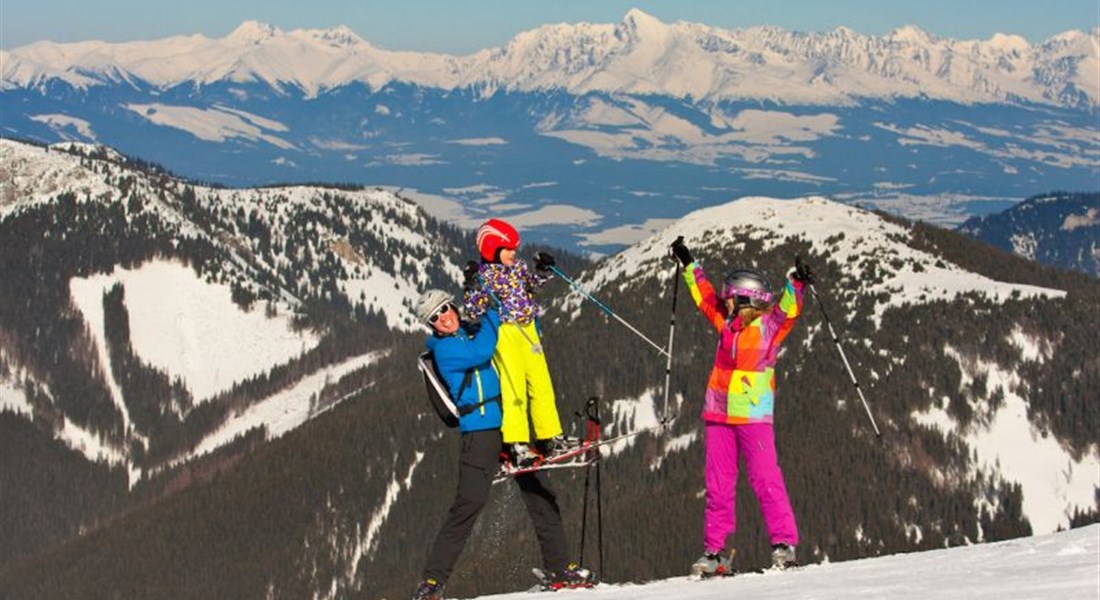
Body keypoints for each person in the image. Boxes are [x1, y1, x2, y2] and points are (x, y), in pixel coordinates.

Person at [411, 289, 594, 600]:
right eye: (436, 317)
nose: (445, 317)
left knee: (539, 491)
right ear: (431, 326)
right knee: (469, 504)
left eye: (445, 309)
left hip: (509, 426)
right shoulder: (446, 350)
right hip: (480, 433)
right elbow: (483, 352)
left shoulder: (467, 332)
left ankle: (559, 568)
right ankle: (431, 583)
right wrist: (493, 315)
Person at [669, 237, 814, 575]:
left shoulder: (768, 328)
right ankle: (716, 552)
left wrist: (797, 282)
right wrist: (689, 263)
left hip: (752, 416)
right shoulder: (726, 323)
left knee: (765, 479)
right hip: (718, 414)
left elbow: (788, 310)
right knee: (718, 485)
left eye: (730, 297)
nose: (725, 302)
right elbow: (704, 296)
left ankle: (784, 545)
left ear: (744, 298)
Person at [462, 218, 573, 467]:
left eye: (514, 248)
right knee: (515, 388)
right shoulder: (485, 277)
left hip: (529, 329)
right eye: (508, 249)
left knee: (541, 384)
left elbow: (530, 285)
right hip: (506, 333)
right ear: (492, 248)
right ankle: (516, 444)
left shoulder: (518, 267)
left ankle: (549, 436)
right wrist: (470, 285)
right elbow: (472, 309)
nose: (514, 253)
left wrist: (544, 272)